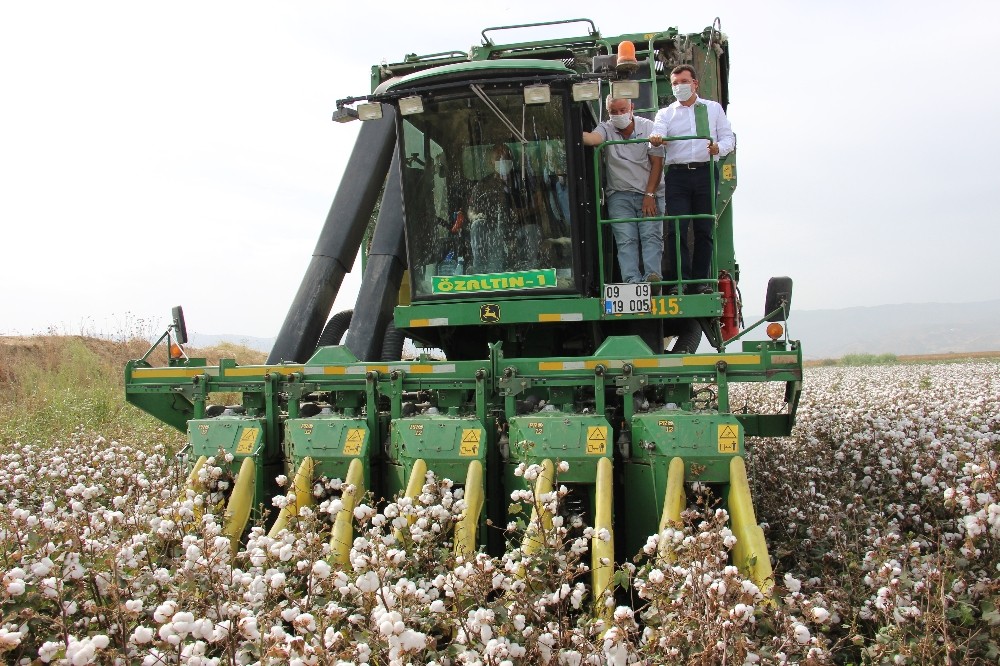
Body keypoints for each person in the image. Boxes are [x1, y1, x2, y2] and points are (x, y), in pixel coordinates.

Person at [650, 64, 735, 294]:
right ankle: (681, 281)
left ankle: (700, 282)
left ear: (695, 84)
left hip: (706, 172)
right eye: (675, 83)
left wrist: (718, 148)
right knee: (676, 228)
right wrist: (657, 137)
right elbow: (657, 132)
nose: (679, 87)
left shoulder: (713, 109)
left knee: (704, 228)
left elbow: (729, 138)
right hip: (677, 175)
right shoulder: (666, 113)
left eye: (684, 82)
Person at [582, 98, 665, 285]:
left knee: (651, 236)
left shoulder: (649, 127)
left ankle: (653, 279)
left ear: (632, 108)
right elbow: (593, 139)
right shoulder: (606, 128)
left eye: (622, 110)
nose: (619, 115)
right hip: (619, 195)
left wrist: (649, 194)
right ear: (608, 112)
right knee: (625, 240)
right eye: (613, 111)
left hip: (649, 193)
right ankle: (632, 282)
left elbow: (657, 164)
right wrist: (568, 132)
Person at [467, 143, 540, 273]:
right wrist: (476, 216)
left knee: (532, 229)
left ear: (512, 160)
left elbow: (537, 204)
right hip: (491, 231)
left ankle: (530, 270)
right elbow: (471, 210)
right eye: (498, 158)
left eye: (506, 158)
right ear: (491, 162)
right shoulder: (482, 185)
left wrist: (524, 212)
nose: (502, 161)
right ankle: (480, 270)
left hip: (519, 228)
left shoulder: (522, 181)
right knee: (477, 227)